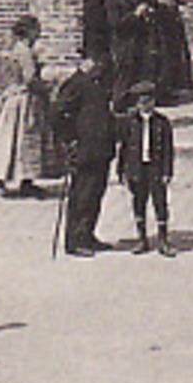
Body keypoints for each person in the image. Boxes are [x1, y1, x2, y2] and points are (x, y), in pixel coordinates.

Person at [54, 52, 117, 256]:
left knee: (96, 193)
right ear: (85, 63)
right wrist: (69, 139)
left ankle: (88, 234)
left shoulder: (98, 82)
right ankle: (75, 241)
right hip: (84, 148)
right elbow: (58, 114)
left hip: (101, 148)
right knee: (82, 194)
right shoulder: (75, 84)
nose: (99, 66)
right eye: (95, 62)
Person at [0, 15, 53, 197]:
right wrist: (46, 87)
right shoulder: (24, 51)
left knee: (14, 140)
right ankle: (15, 179)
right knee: (22, 139)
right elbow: (30, 78)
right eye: (36, 30)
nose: (38, 34)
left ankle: (21, 180)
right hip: (23, 100)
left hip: (14, 98)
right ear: (28, 31)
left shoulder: (18, 49)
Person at [116, 81, 175, 257]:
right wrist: (122, 170)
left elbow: (168, 149)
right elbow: (124, 148)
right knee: (139, 202)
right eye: (141, 101)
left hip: (155, 168)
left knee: (160, 202)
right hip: (137, 167)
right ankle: (142, 239)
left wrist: (167, 171)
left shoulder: (162, 122)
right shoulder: (131, 122)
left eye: (149, 100)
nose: (145, 105)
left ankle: (163, 240)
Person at [106, 0, 153, 106]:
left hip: (136, 44)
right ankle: (118, 110)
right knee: (123, 79)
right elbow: (116, 24)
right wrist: (135, 14)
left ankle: (130, 112)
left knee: (134, 78)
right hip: (123, 44)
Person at [150, 0, 193, 104]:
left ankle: (169, 91)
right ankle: (160, 95)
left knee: (172, 62)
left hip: (172, 34)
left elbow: (183, 2)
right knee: (161, 63)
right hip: (160, 34)